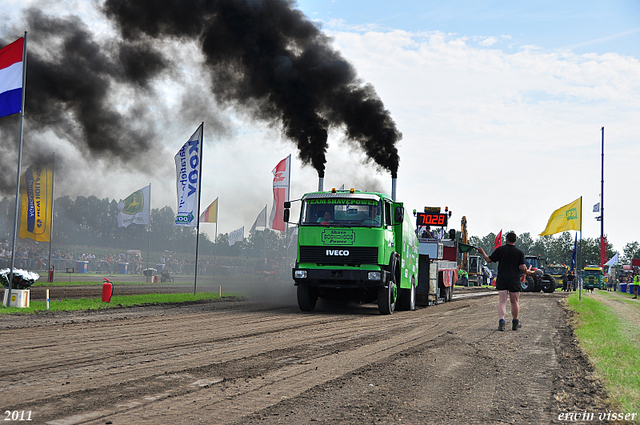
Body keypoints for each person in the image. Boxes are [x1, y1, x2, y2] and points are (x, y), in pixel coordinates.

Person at [477, 231, 530, 331]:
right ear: (515, 240)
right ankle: (515, 323)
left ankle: (501, 322)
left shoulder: (500, 250)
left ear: (506, 239)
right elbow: (523, 267)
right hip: (514, 280)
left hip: (502, 279)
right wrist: (527, 272)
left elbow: (488, 260)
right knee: (514, 302)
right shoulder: (519, 252)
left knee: (502, 302)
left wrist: (482, 252)